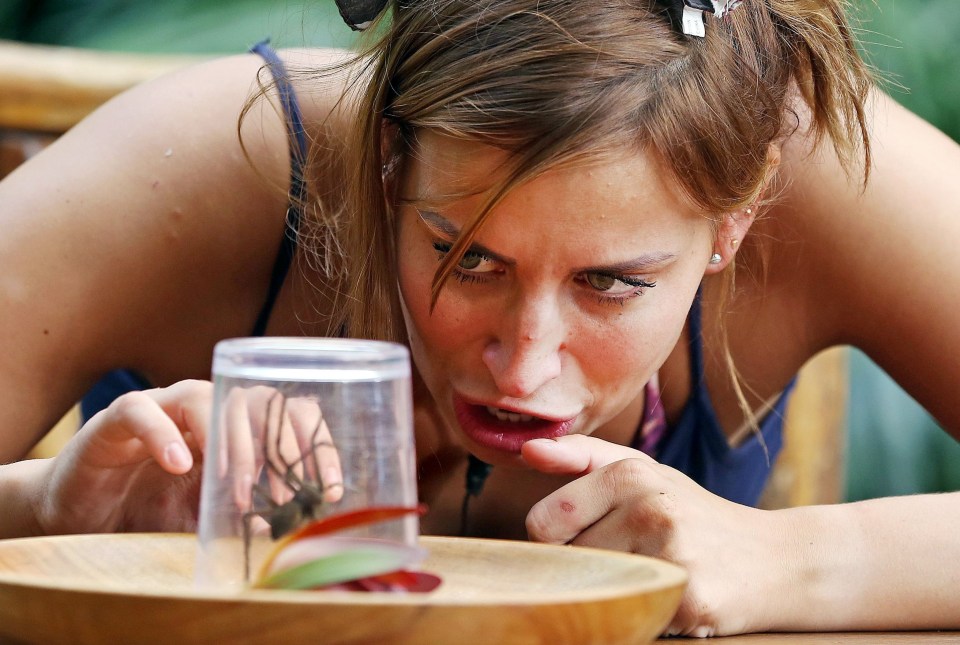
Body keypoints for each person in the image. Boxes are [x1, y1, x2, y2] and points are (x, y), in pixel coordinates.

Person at [1, 0, 958, 636]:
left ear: (736, 216)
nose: (522, 366)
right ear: (387, 162)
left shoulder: (819, 179)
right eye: (470, 259)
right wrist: (48, 514)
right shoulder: (210, 168)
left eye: (613, 283)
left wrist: (785, 558)